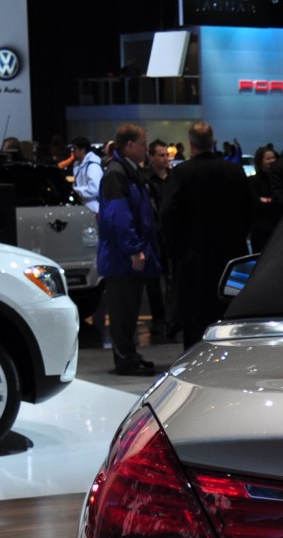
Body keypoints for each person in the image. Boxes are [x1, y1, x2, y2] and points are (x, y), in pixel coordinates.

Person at [160, 121, 253, 348]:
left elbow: (168, 213)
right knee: (230, 319)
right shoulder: (234, 171)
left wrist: (176, 248)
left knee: (195, 327)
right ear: (214, 142)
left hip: (194, 261)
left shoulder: (181, 173)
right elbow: (250, 210)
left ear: (190, 144)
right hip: (231, 258)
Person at [95, 122, 160, 376]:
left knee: (129, 308)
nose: (146, 148)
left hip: (126, 254)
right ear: (130, 145)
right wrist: (133, 248)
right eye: (143, 144)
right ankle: (125, 360)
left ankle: (129, 355)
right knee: (122, 311)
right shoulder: (117, 173)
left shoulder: (128, 171)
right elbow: (118, 216)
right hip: (121, 256)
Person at [144, 139, 176, 342]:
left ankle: (172, 320)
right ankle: (159, 320)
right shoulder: (145, 180)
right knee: (154, 282)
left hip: (171, 235)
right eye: (161, 155)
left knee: (172, 280)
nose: (165, 159)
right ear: (152, 157)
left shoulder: (174, 178)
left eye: (167, 155)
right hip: (153, 236)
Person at [247, 143, 283, 253]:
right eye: (268, 158)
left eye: (273, 158)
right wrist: (274, 201)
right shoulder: (252, 181)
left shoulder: (280, 180)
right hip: (261, 230)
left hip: (278, 228)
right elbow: (256, 203)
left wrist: (267, 200)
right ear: (260, 161)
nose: (272, 161)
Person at [69, 136, 103, 214]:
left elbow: (94, 190)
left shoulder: (93, 166)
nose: (73, 152)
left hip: (93, 209)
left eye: (74, 149)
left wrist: (75, 191)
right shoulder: (78, 165)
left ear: (83, 150)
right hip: (84, 207)